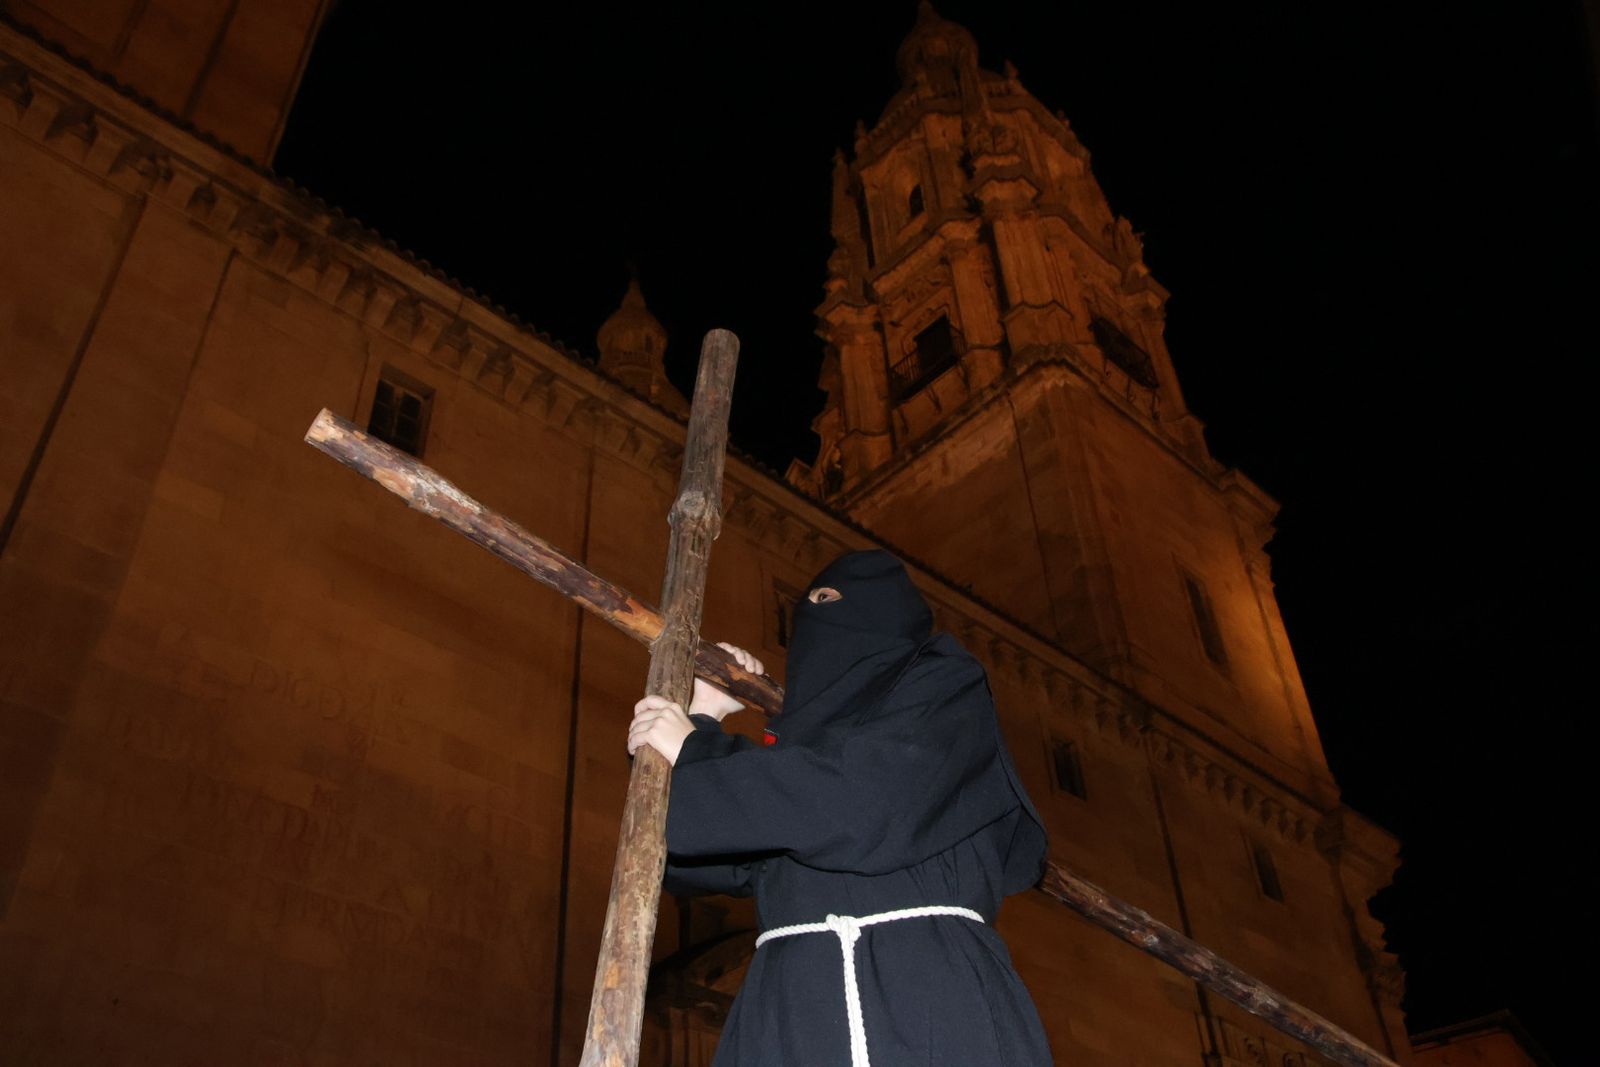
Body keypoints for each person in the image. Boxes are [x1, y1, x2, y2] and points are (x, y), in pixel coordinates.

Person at [627, 549, 1053, 1066]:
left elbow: (859, 805)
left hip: (922, 995)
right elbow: (689, 856)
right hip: (785, 1010)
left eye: (830, 598)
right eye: (807, 604)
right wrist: (704, 716)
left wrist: (699, 750)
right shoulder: (800, 763)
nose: (814, 612)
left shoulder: (943, 686)